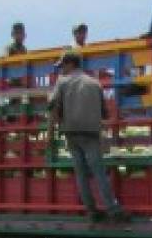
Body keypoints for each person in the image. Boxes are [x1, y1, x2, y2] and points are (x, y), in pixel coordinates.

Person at [47, 50, 129, 223]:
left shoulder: (62, 82)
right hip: (91, 133)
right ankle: (113, 209)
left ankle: (91, 211)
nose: (61, 70)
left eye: (62, 66)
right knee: (98, 171)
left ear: (70, 64)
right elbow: (105, 113)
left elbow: (52, 105)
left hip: (71, 133)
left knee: (81, 173)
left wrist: (51, 130)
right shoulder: (95, 83)